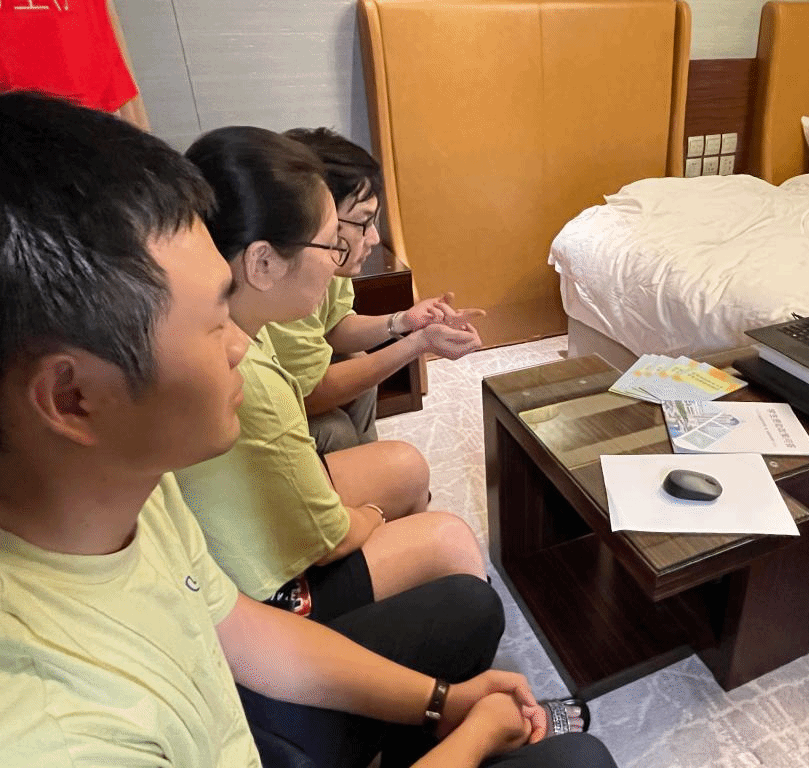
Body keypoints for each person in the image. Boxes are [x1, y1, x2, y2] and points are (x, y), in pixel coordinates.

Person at [0, 92, 616, 768]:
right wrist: (475, 736)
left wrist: (441, 702)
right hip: (274, 659)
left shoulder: (135, 494)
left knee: (471, 608)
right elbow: (320, 523)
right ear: (72, 398)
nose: (239, 343)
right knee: (581, 760)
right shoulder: (56, 731)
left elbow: (240, 628)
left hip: (248, 707)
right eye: (212, 323)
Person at [176, 126, 488, 616]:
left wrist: (405, 326)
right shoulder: (251, 376)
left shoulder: (230, 321)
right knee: (452, 546)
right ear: (263, 262)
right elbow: (331, 537)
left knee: (403, 463)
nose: (359, 246)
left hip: (254, 528)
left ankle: (405, 593)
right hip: (264, 591)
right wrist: (374, 515)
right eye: (331, 243)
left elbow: (339, 329)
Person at [265, 127, 485, 453]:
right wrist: (417, 343)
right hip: (263, 405)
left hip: (291, 383)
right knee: (336, 431)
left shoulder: (332, 266)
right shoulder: (287, 282)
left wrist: (404, 321)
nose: (374, 239)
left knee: (358, 367)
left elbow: (335, 326)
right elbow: (311, 393)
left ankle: (365, 468)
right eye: (363, 222)